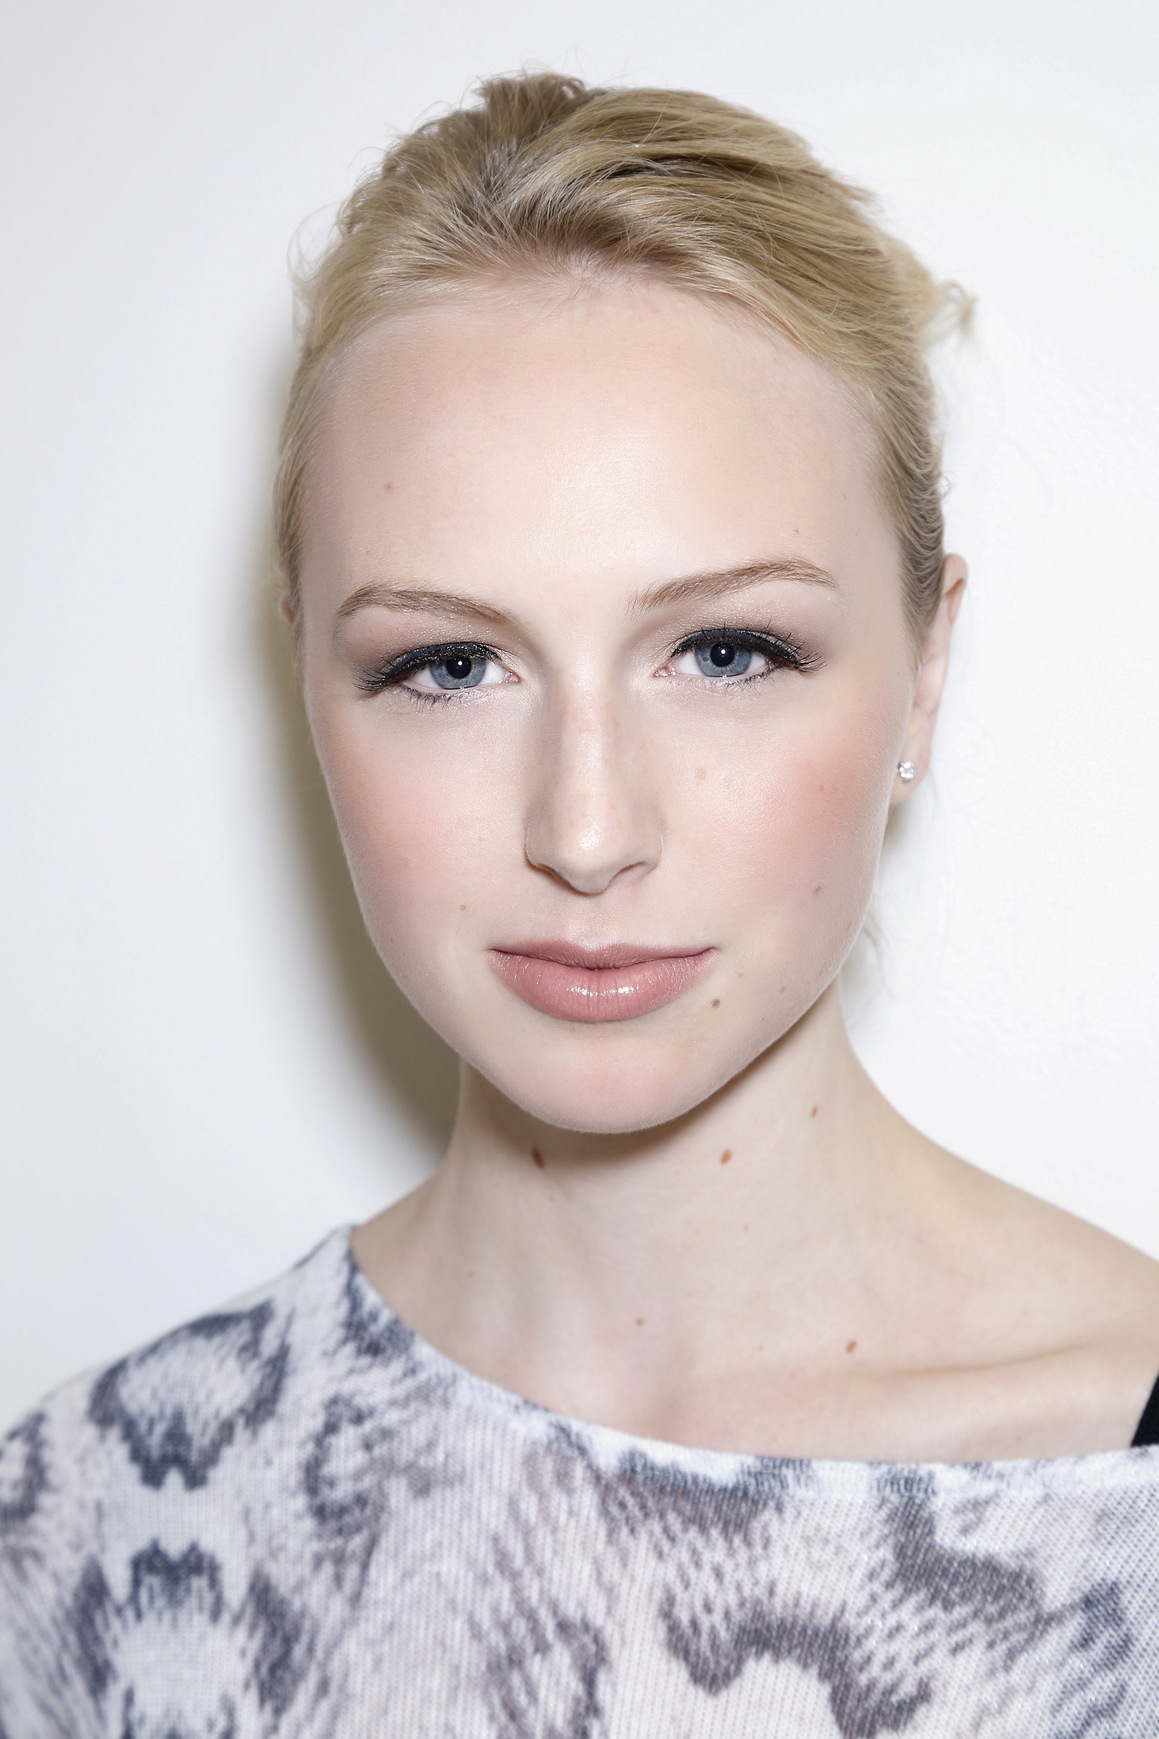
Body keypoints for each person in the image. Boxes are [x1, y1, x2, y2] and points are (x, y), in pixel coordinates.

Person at [2, 70, 1158, 1737]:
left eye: (727, 651)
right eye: (447, 665)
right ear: (308, 681)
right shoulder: (85, 1535)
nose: (589, 830)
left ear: (924, 671)